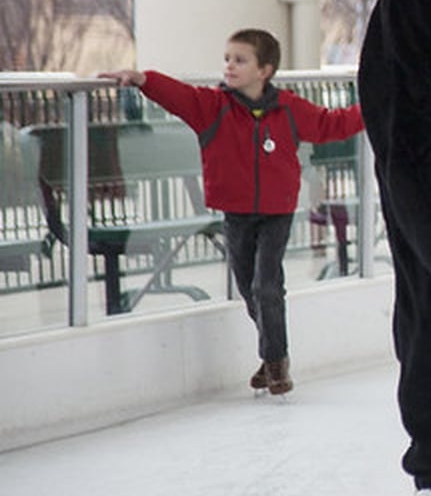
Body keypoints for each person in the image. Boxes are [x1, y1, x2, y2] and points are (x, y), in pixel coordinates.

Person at [100, 29, 365, 395]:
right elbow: (179, 96)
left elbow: (331, 124)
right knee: (248, 287)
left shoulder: (289, 108)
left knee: (265, 284)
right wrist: (143, 79)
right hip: (236, 213)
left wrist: (374, 107)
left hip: (277, 212)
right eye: (227, 58)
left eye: (240, 60)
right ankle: (270, 354)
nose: (229, 66)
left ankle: (277, 364)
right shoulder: (212, 107)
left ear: (265, 70)